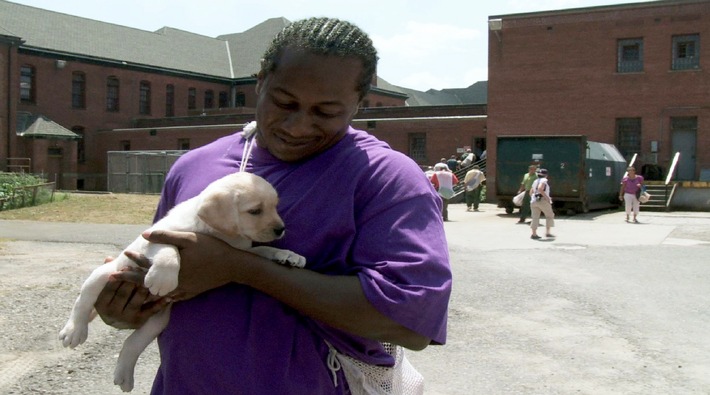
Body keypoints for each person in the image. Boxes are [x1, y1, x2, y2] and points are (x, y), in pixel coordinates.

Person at [94, 17, 452, 394]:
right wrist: (124, 307)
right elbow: (161, 282)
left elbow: (413, 321)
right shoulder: (194, 167)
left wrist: (238, 267)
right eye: (284, 102)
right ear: (260, 80)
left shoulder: (385, 178)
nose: (298, 126)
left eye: (325, 112)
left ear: (358, 105)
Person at [530, 168, 555, 239]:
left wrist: (533, 197)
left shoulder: (535, 181)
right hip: (542, 200)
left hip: (534, 200)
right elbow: (540, 188)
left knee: (535, 217)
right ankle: (548, 232)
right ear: (546, 175)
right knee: (549, 215)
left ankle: (534, 234)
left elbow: (531, 192)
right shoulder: (544, 180)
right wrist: (547, 198)